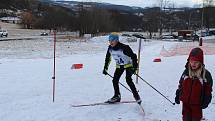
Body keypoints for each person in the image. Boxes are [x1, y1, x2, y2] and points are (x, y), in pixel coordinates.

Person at [102, 32, 142, 104]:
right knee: (115, 80)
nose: (111, 42)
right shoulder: (110, 48)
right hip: (119, 66)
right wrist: (105, 68)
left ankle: (136, 96)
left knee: (128, 80)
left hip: (128, 65)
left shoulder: (124, 48)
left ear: (117, 40)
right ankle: (117, 96)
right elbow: (108, 58)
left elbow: (134, 56)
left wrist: (134, 68)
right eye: (109, 40)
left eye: (112, 40)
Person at [175, 47, 213, 121]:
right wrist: (178, 94)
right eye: (191, 61)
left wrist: (207, 99)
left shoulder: (205, 75)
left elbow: (208, 89)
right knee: (186, 118)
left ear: (200, 62)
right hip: (185, 103)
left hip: (197, 104)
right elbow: (181, 84)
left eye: (196, 62)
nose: (193, 64)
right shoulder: (186, 72)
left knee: (196, 119)